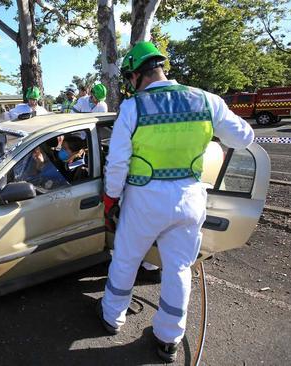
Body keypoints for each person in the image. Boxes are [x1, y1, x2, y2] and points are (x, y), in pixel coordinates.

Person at [98, 41, 254, 363]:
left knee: (126, 259)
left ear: (137, 74)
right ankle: (169, 339)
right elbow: (244, 137)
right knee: (179, 268)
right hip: (189, 198)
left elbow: (117, 164)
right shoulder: (206, 101)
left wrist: (111, 199)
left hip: (143, 199)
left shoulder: (133, 107)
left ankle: (112, 318)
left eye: (130, 78)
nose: (130, 84)